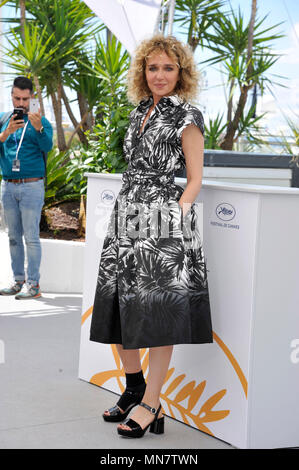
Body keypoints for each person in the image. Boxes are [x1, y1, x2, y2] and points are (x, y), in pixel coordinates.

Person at [89, 35, 213, 438]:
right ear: (143, 71)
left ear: (181, 73)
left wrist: (171, 219)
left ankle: (152, 403)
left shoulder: (187, 115)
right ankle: (134, 387)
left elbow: (194, 180)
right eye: (152, 67)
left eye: (168, 68)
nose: (159, 75)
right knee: (120, 304)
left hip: (161, 222)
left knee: (158, 314)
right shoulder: (139, 110)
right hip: (127, 215)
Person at [0, 76, 53, 299]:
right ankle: (18, 280)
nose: (20, 103)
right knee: (13, 236)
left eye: (24, 98)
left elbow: (48, 146)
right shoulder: (4, 119)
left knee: (31, 237)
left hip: (32, 186)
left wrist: (39, 128)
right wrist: (6, 133)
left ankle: (33, 284)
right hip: (8, 186)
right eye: (16, 98)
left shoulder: (39, 120)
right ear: (11, 96)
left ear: (31, 97)